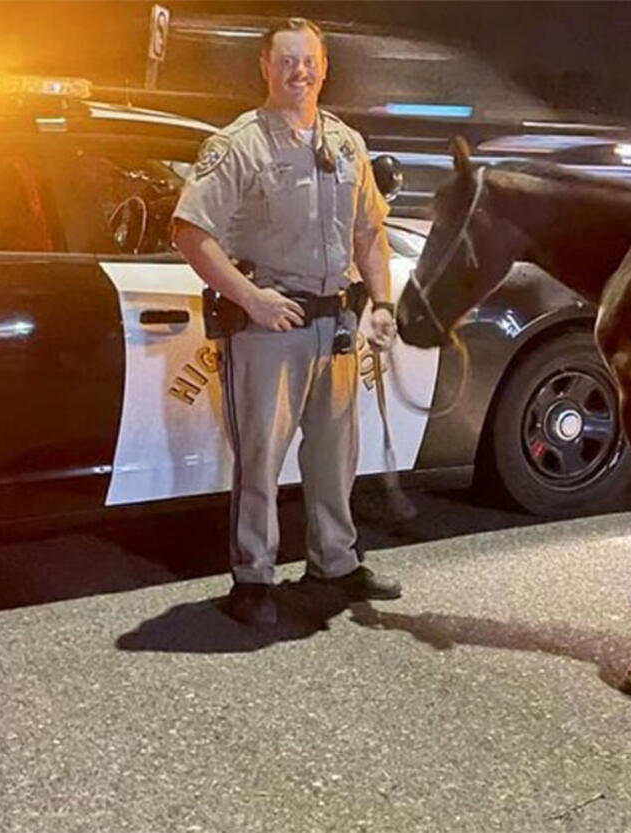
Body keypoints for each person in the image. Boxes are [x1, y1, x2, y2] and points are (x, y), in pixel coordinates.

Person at [172, 17, 402, 627]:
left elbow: (369, 231)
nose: (300, 71)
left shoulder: (347, 143)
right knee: (262, 462)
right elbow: (190, 233)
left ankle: (336, 562)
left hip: (336, 328)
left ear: (324, 67)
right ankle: (253, 578)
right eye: (287, 61)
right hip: (268, 327)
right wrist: (252, 299)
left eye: (310, 61)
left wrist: (381, 303)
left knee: (335, 459)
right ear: (266, 69)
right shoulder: (239, 143)